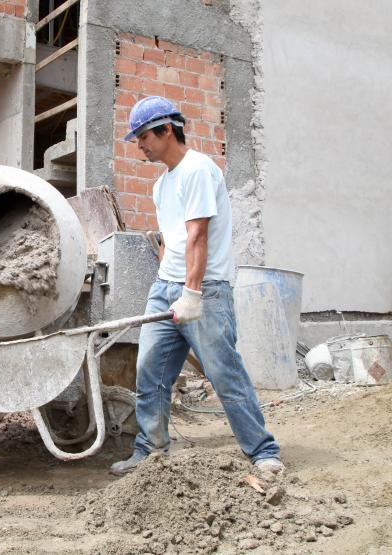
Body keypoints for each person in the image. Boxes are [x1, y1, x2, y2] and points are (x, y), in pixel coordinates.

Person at [110, 97, 285, 476]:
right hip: (166, 288)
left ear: (166, 130)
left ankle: (262, 451)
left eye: (143, 137)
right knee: (150, 372)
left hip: (205, 290)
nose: (139, 145)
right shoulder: (161, 185)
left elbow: (198, 236)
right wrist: (167, 284)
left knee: (224, 373)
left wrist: (191, 293)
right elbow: (171, 241)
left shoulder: (198, 170)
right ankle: (151, 451)